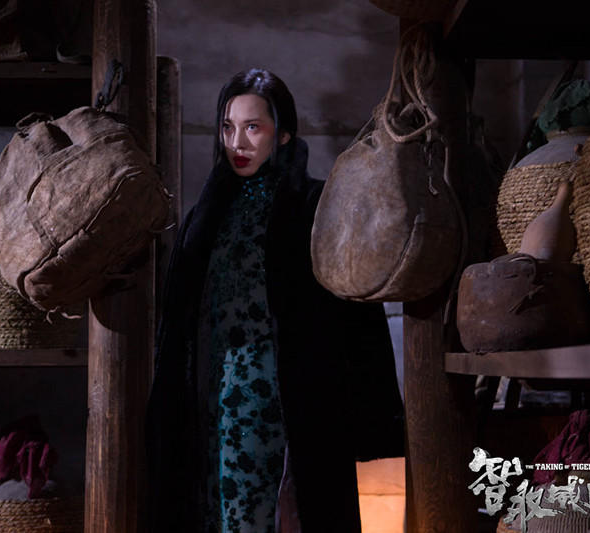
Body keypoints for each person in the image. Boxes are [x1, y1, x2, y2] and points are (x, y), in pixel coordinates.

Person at [146, 68, 404, 532]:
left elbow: (357, 315)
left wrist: (374, 419)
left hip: (288, 402)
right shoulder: (205, 217)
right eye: (228, 127)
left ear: (283, 133)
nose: (237, 142)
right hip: (214, 401)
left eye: (253, 127)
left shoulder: (314, 206)